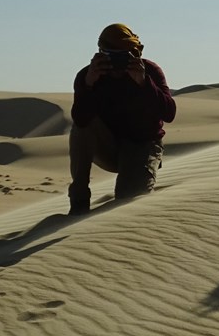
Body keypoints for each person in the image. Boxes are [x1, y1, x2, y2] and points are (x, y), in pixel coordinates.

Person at [67, 23, 177, 215]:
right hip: (109, 147)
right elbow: (80, 119)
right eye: (112, 55)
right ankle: (79, 202)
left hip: (142, 146)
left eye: (125, 55)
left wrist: (144, 84)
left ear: (135, 53)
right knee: (80, 127)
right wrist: (89, 85)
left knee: (129, 203)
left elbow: (169, 113)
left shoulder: (149, 71)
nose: (118, 64)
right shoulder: (89, 75)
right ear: (101, 52)